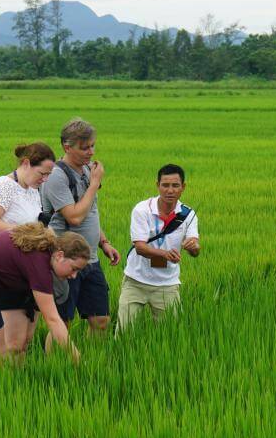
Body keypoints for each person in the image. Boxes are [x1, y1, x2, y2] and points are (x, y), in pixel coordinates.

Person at [0, 223, 89, 381]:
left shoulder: (39, 245)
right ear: (59, 255)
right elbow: (53, 320)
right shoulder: (39, 262)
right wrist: (78, 361)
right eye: (74, 269)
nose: (74, 276)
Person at [40, 117, 121, 341]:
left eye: (93, 146)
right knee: (61, 323)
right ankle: (56, 368)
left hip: (90, 258)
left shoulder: (86, 170)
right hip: (66, 260)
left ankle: (92, 365)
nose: (91, 152)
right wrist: (94, 184)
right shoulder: (57, 176)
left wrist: (104, 242)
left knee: (100, 320)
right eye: (84, 148)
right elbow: (74, 217)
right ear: (68, 147)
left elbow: (90, 212)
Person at [0, 142, 57, 357]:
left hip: (29, 270)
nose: (44, 179)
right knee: (4, 345)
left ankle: (16, 384)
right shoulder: (4, 186)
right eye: (42, 173)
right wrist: (25, 232)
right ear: (26, 163)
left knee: (23, 342)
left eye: (48, 175)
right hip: (5, 271)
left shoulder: (32, 189)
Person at [116, 164, 200, 332]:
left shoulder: (188, 215)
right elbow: (140, 247)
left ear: (183, 187)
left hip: (167, 283)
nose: (170, 190)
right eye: (165, 185)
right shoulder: (142, 210)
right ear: (157, 185)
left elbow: (195, 249)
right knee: (124, 333)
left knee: (171, 335)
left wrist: (193, 247)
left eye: (175, 185)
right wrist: (165, 254)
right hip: (136, 281)